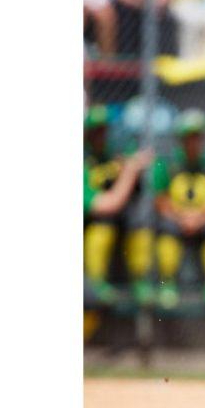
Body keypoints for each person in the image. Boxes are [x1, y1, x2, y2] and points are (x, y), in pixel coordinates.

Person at [152, 109, 205, 312]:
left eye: (198, 137)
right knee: (166, 229)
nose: (194, 142)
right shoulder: (167, 162)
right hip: (176, 217)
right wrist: (181, 218)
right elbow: (160, 199)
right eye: (189, 137)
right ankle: (167, 284)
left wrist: (198, 219)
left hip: (202, 219)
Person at [83, 105, 155, 308]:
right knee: (102, 224)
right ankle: (96, 282)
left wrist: (133, 165)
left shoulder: (116, 155)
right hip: (90, 228)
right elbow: (107, 206)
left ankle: (141, 280)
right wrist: (130, 171)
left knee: (140, 218)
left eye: (105, 130)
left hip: (119, 223)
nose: (102, 136)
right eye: (96, 131)